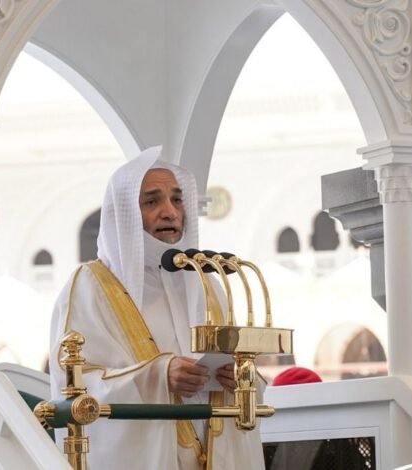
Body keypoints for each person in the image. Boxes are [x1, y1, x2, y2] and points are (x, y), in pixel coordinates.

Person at [49, 146, 265, 470]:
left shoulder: (207, 281)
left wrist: (241, 378)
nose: (170, 211)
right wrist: (160, 375)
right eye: (152, 201)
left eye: (176, 200)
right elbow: (78, 387)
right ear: (123, 214)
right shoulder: (90, 287)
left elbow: (251, 387)